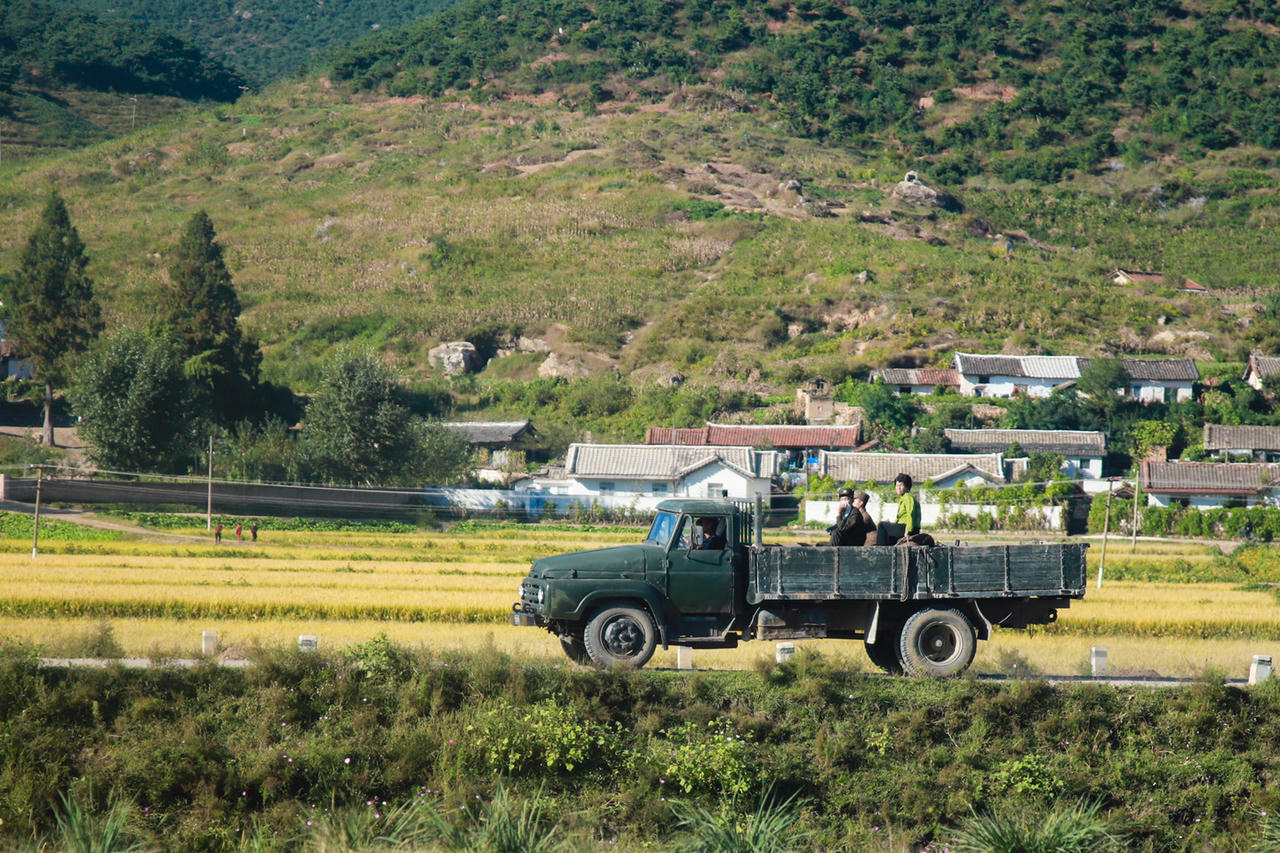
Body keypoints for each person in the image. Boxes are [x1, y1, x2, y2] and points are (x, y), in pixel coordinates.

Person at [877, 473, 922, 545]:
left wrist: (908, 530)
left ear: (907, 487)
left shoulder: (908, 497)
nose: (898, 488)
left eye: (901, 485)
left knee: (882, 525)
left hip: (908, 528)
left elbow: (911, 514)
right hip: (904, 526)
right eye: (897, 485)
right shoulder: (902, 498)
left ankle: (880, 550)